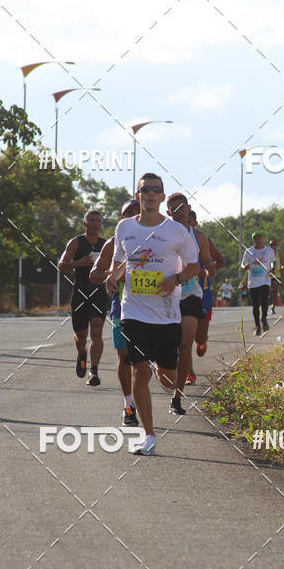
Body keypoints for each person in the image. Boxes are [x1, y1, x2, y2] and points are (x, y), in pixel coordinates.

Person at [107, 174, 200, 456]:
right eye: (144, 190)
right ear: (137, 196)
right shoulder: (124, 227)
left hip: (167, 315)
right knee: (138, 368)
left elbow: (196, 266)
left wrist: (176, 279)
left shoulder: (176, 231)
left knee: (168, 374)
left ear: (162, 197)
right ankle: (148, 435)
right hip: (133, 310)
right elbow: (118, 262)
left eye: (155, 190)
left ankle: (167, 373)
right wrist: (113, 276)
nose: (149, 194)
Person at [89, 198, 141, 425]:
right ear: (121, 219)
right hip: (121, 307)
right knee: (125, 356)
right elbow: (94, 273)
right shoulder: (113, 243)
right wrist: (109, 277)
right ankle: (129, 405)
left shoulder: (157, 238)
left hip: (154, 309)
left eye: (136, 212)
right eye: (127, 213)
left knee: (145, 362)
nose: (132, 216)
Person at [167, 193, 214, 409]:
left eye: (182, 207)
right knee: (168, 350)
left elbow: (208, 264)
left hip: (191, 296)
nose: (179, 212)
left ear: (189, 208)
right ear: (168, 213)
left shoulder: (199, 236)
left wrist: (207, 269)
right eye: (173, 209)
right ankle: (166, 372)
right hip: (165, 297)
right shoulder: (161, 234)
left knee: (185, 347)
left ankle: (177, 398)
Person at [59, 210, 107, 385]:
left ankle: (93, 371)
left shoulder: (105, 245)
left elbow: (114, 266)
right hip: (80, 293)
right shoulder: (76, 242)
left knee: (96, 329)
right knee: (80, 335)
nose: (95, 223)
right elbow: (61, 265)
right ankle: (81, 354)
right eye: (91, 220)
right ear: (85, 223)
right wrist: (79, 263)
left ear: (101, 224)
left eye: (98, 220)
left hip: (99, 293)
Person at [188, 210, 225, 366]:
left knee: (199, 338)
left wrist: (208, 272)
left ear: (195, 223)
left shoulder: (204, 240)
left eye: (190, 222)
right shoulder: (172, 239)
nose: (186, 225)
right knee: (184, 338)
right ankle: (188, 372)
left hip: (203, 293)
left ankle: (202, 340)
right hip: (182, 292)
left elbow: (220, 262)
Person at [241, 232, 275, 336]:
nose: (258, 240)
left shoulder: (268, 250)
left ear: (262, 239)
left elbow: (274, 261)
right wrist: (245, 266)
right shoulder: (249, 251)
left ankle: (264, 318)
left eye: (259, 238)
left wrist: (273, 269)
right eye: (255, 238)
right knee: (255, 306)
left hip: (265, 280)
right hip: (253, 282)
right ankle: (257, 327)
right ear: (253, 240)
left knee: (264, 300)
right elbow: (242, 264)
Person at [269, 239, 284, 313]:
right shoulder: (267, 254)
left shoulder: (279, 255)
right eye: (271, 245)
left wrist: (281, 268)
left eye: (274, 245)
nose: (272, 246)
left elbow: (283, 264)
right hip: (268, 274)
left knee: (275, 289)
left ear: (276, 246)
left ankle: (273, 306)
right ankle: (267, 302)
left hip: (276, 274)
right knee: (268, 290)